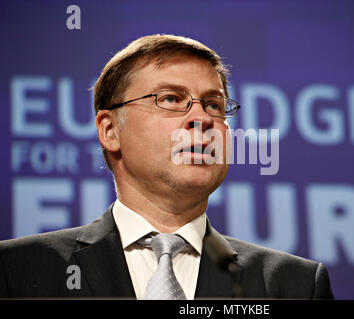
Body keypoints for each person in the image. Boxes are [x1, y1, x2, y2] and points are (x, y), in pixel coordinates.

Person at [0, 34, 334, 299]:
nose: (202, 118)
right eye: (171, 99)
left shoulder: (295, 286)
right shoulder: (16, 271)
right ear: (110, 130)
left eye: (214, 104)